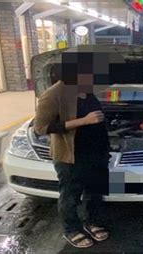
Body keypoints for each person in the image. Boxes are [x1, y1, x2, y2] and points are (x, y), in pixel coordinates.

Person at [34, 54, 110, 249]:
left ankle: (93, 222)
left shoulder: (86, 90)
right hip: (72, 154)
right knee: (70, 195)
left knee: (95, 191)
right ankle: (71, 229)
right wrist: (84, 121)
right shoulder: (53, 95)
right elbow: (41, 128)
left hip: (96, 152)